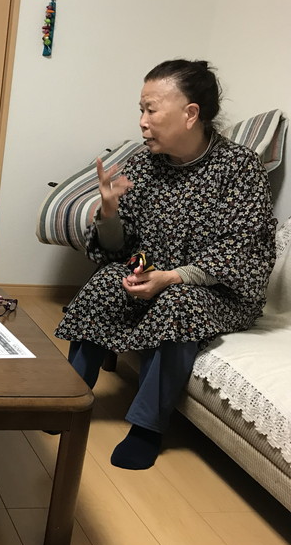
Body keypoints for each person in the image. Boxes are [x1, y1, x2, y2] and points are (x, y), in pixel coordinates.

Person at [55, 60, 276, 470]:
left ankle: (147, 427)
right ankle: (67, 396)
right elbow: (118, 249)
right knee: (107, 280)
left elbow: (242, 250)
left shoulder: (240, 168)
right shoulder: (144, 164)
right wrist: (108, 212)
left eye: (151, 110)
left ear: (190, 113)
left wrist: (171, 278)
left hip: (217, 292)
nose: (142, 121)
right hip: (154, 278)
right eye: (141, 109)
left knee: (179, 302)